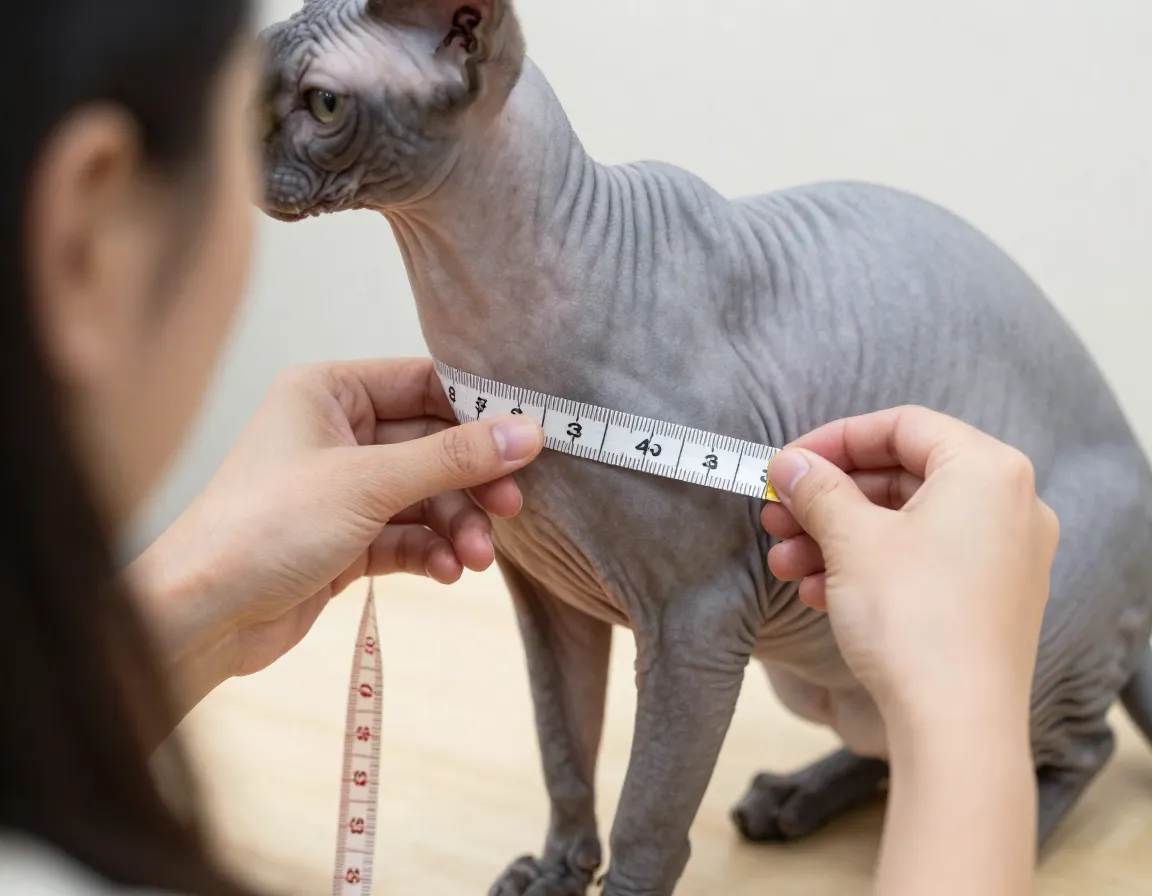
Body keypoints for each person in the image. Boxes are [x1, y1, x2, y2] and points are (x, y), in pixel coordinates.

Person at [0, 3, 1058, 895]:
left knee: (794, 653)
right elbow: (565, 587)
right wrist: (960, 723)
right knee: (812, 683)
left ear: (470, 46)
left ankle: (1067, 744)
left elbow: (696, 616)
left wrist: (191, 595)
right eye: (242, 117)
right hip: (887, 662)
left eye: (320, 108)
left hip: (1034, 568)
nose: (263, 159)